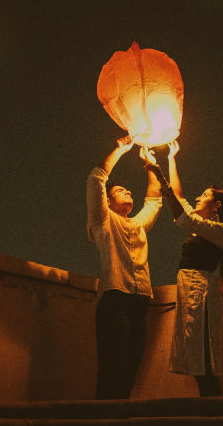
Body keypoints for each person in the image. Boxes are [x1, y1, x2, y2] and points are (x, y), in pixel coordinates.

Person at [145, 140, 223, 397]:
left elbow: (180, 212)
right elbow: (181, 198)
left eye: (206, 195)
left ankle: (216, 414)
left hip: (202, 296)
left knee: (204, 359)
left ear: (218, 206)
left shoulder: (219, 231)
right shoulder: (202, 226)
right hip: (192, 293)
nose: (199, 196)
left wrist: (159, 174)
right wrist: (172, 157)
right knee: (198, 358)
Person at [86, 135, 162, 399]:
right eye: (120, 191)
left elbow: (154, 200)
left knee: (130, 370)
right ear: (107, 201)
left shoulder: (138, 224)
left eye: (128, 190)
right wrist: (120, 149)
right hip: (115, 300)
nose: (128, 191)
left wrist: (152, 167)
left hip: (140, 302)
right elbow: (97, 178)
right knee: (113, 368)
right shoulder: (103, 220)